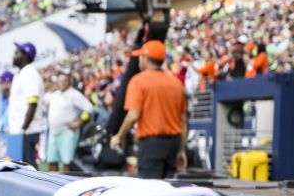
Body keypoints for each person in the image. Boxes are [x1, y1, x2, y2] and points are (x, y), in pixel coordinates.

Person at [109, 40, 187, 179]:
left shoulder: (139, 80)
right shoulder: (176, 82)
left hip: (152, 143)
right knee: (168, 188)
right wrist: (181, 150)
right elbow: (183, 121)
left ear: (145, 59)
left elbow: (133, 115)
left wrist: (119, 136)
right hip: (173, 144)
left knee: (150, 190)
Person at [5, 42, 46, 168]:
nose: (13, 55)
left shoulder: (30, 74)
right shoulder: (20, 74)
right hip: (19, 130)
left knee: (29, 169)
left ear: (25, 55)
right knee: (19, 168)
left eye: (17, 53)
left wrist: (23, 128)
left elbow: (32, 104)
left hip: (27, 131)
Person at [42, 75, 94, 173]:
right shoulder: (55, 94)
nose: (62, 83)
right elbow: (43, 100)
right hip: (54, 132)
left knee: (67, 162)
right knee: (51, 161)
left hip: (67, 132)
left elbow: (89, 108)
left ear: (69, 82)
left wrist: (79, 122)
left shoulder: (74, 94)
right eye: (60, 80)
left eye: (65, 80)